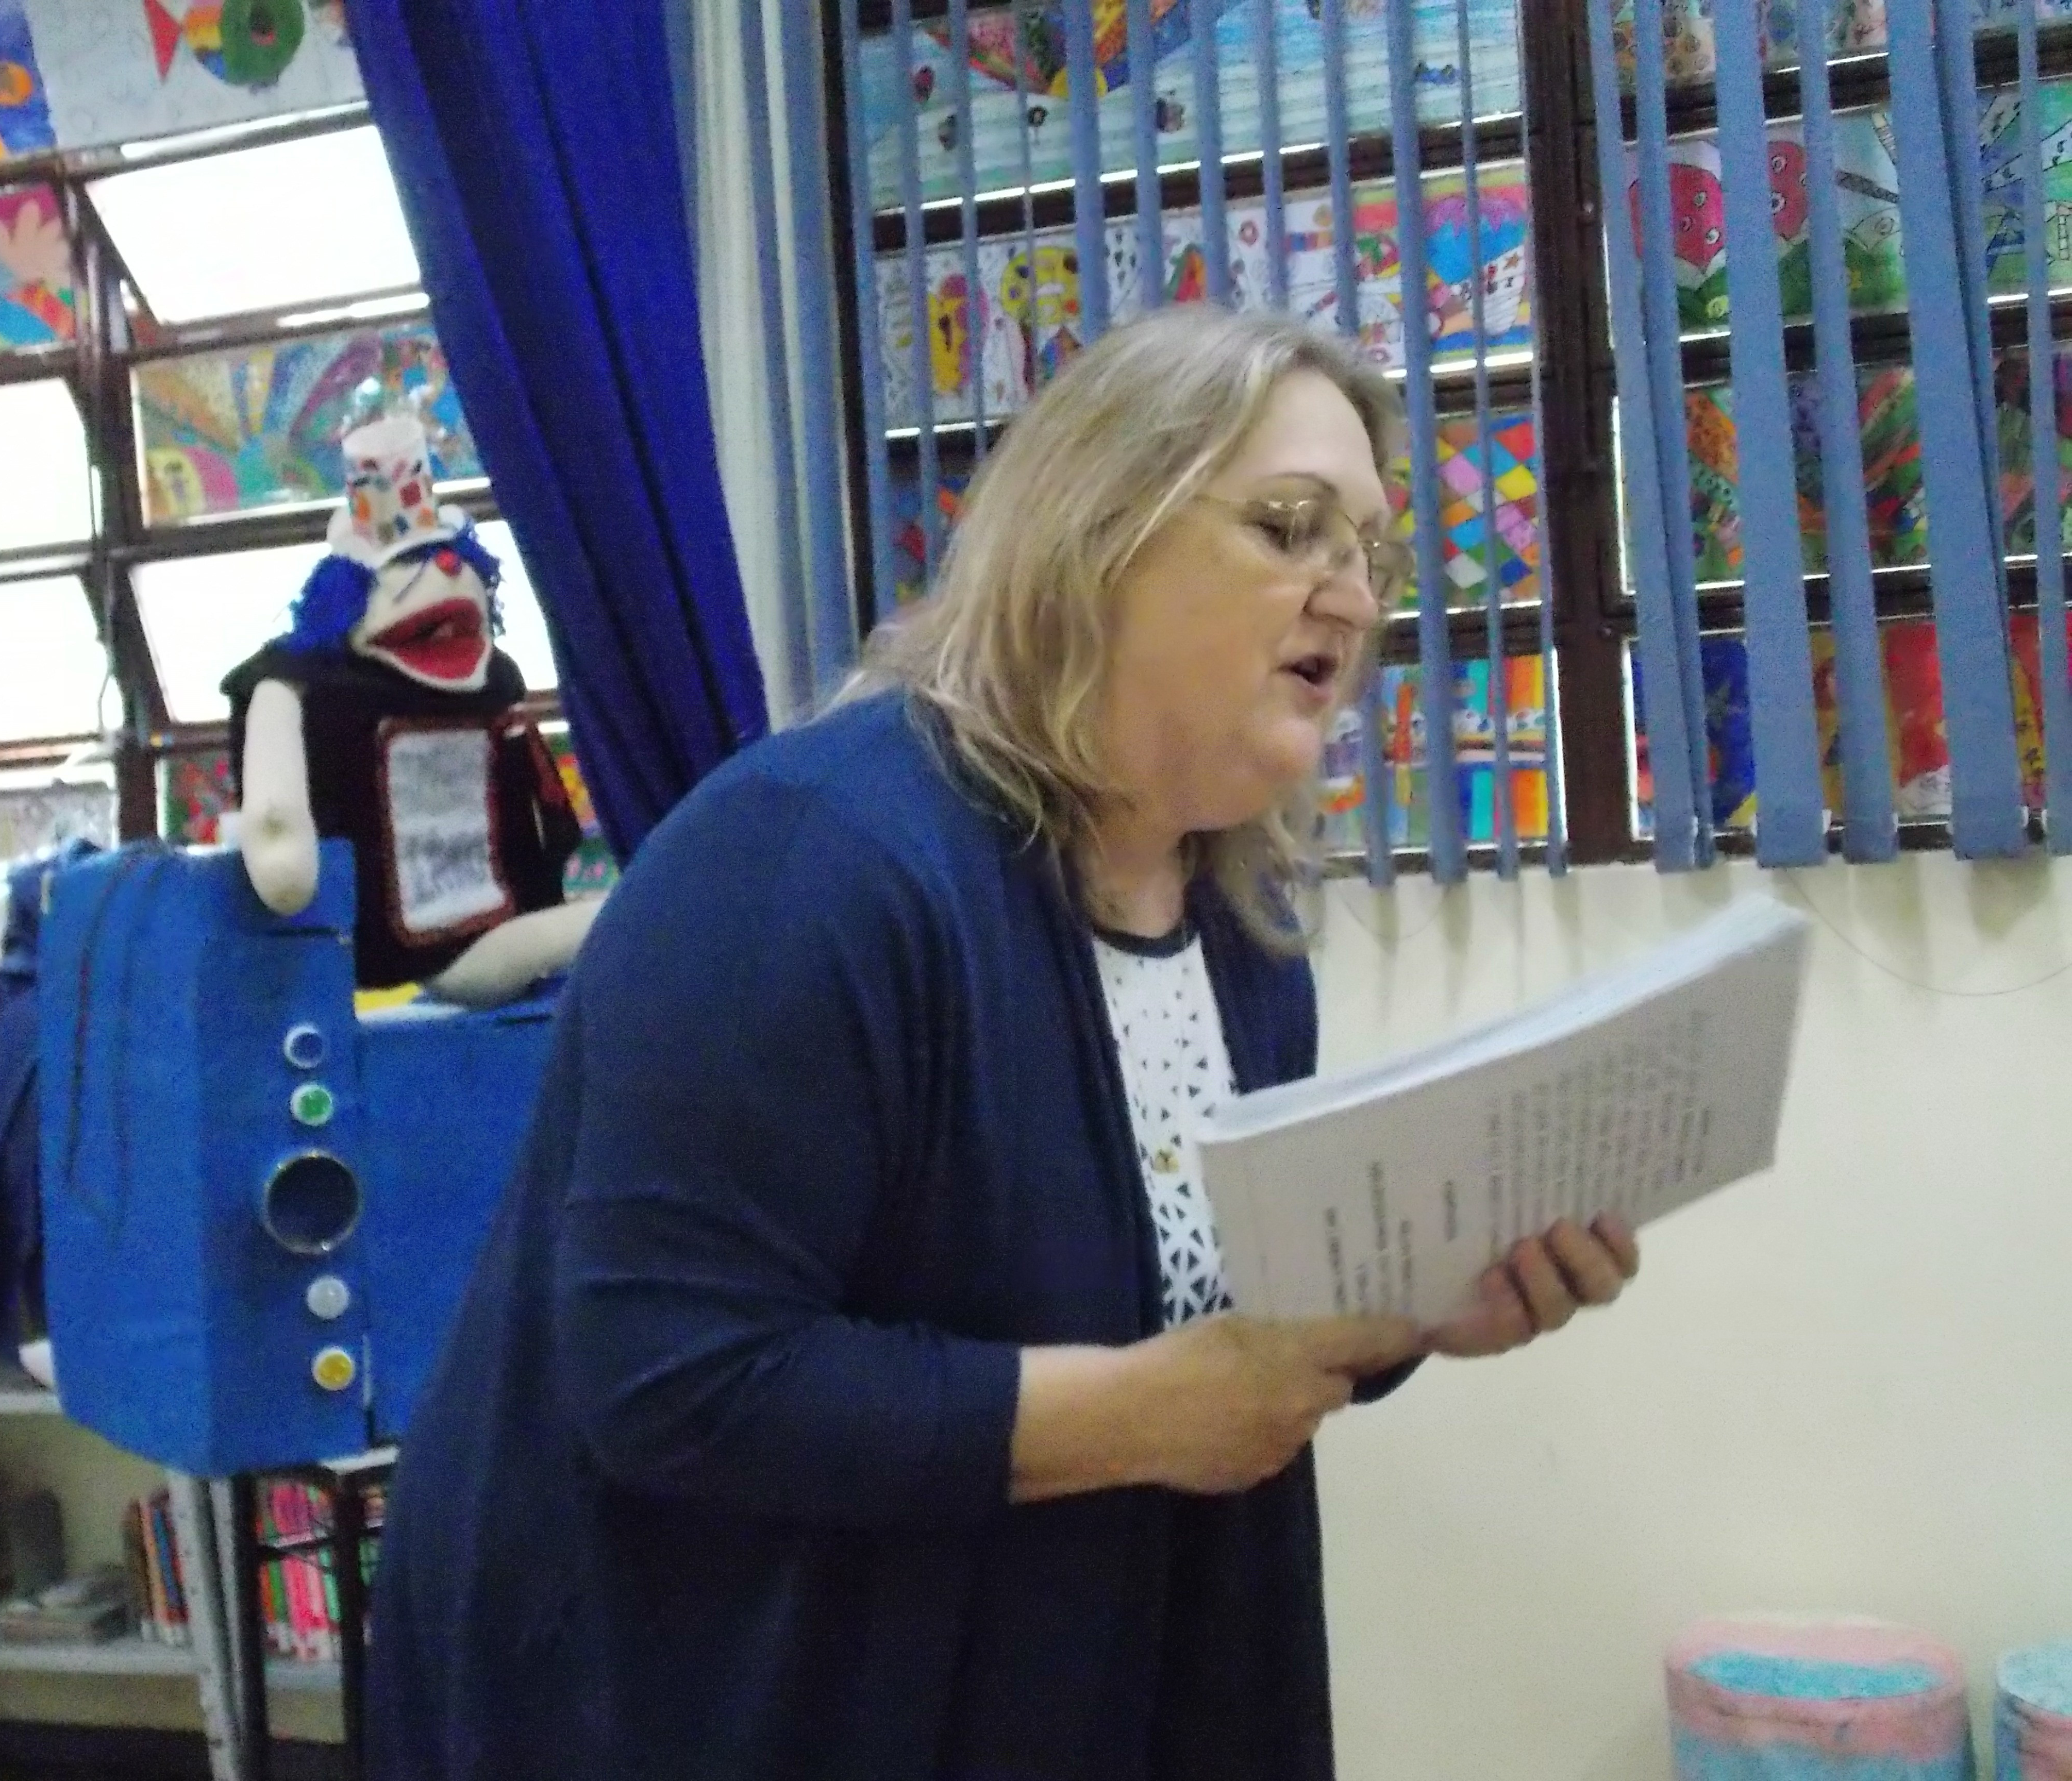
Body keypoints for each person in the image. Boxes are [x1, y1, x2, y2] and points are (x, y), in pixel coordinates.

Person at [369, 305, 1641, 1781]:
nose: (1353, 595)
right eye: (1291, 526)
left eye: (1370, 550)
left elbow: (1208, 1325)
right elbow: (673, 1378)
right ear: (1099, 535)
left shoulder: (1243, 935)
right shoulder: (804, 860)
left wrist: (1412, 1302)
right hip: (720, 1700)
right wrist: (1143, 1416)